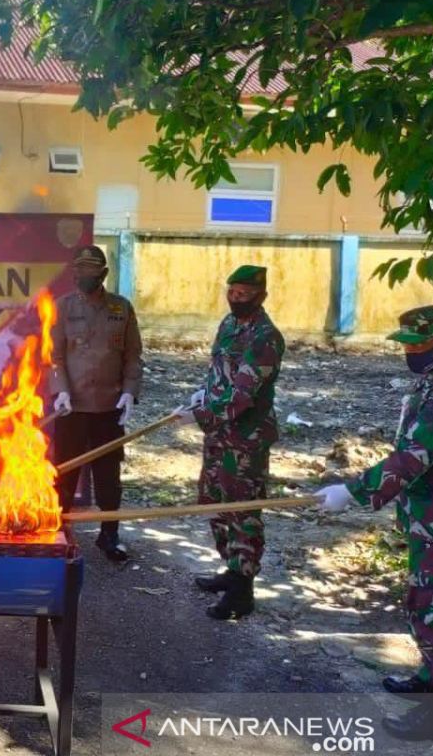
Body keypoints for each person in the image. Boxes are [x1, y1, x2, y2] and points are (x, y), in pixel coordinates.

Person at [315, 304, 433, 742]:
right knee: (428, 601)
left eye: (420, 344)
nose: (411, 351)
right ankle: (429, 675)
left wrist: (355, 490)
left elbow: (413, 456)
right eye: (407, 344)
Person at [175, 265, 284, 620]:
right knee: (214, 501)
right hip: (220, 435)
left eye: (244, 294)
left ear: (261, 296)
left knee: (242, 509)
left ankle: (242, 590)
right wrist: (201, 395)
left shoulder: (265, 337)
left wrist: (201, 415)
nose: (236, 299)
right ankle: (232, 569)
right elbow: (219, 373)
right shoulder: (229, 325)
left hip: (245, 438)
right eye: (232, 292)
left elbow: (243, 395)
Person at [49, 245, 143, 561]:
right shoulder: (61, 307)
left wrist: (130, 391)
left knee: (108, 477)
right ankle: (57, 533)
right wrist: (60, 390)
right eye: (80, 269)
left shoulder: (121, 308)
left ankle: (109, 534)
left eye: (91, 270)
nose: (84, 275)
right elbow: (54, 357)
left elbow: (133, 356)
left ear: (103, 274)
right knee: (64, 474)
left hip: (108, 407)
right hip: (70, 407)